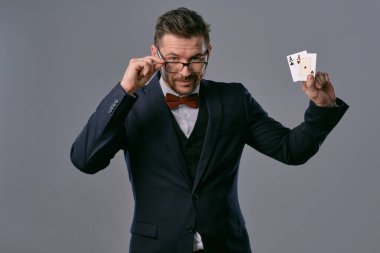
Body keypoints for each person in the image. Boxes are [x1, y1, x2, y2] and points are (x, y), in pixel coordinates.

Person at [70, 7, 348, 253]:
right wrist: (124, 91)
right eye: (173, 59)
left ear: (209, 52)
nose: (185, 71)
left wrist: (321, 108)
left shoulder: (235, 99)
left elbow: (291, 150)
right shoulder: (131, 105)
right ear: (155, 54)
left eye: (196, 59)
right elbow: (84, 160)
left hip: (227, 245)